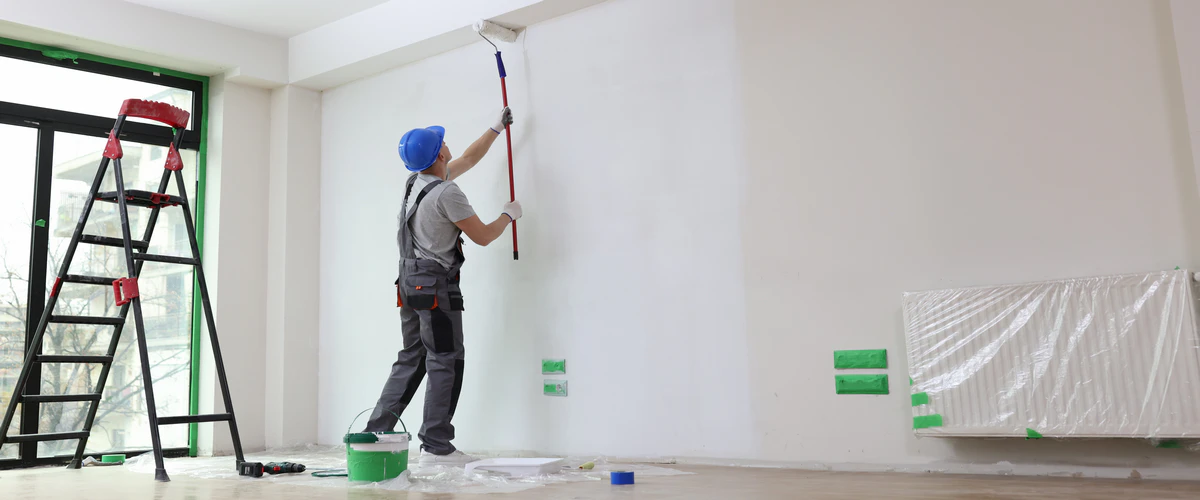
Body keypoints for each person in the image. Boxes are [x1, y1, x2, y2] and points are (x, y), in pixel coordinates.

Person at [364, 107, 521, 466]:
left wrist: (495, 128)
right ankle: (436, 445)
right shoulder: (447, 193)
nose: (449, 144)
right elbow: (481, 236)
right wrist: (508, 216)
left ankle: (375, 435)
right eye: (443, 142)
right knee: (445, 361)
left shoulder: (417, 181)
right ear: (439, 155)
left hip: (408, 283)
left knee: (412, 358)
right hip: (436, 289)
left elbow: (468, 158)